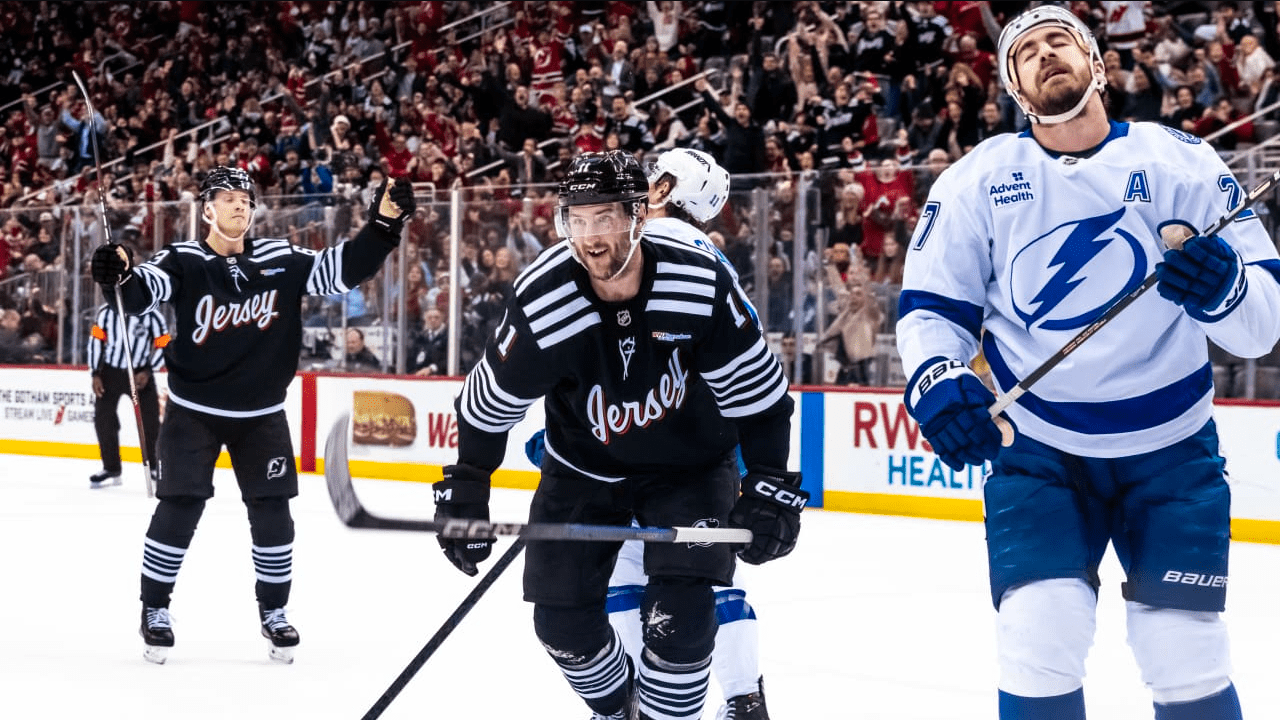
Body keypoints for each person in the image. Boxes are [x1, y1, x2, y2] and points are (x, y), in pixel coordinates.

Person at [896, 7, 1280, 720]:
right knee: (1038, 633)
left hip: (1172, 450)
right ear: (1012, 87)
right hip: (1039, 452)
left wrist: (1224, 288)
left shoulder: (1181, 160)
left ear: (1097, 64)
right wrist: (939, 382)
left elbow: (1265, 324)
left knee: (1182, 647)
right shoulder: (976, 180)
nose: (1045, 56)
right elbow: (930, 312)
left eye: (1059, 42)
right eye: (1026, 53)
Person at [433, 151, 804, 720]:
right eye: (576, 220)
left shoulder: (698, 278)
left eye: (604, 217)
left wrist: (769, 484)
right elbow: (488, 405)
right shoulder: (544, 298)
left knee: (681, 624)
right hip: (583, 469)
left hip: (690, 468)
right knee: (560, 622)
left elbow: (759, 399)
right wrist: (467, 484)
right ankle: (617, 709)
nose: (590, 237)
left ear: (639, 215)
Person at [89, 166, 415, 665]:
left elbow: (344, 268)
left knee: (273, 513)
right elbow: (140, 292)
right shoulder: (183, 260)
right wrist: (121, 272)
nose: (240, 204)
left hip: (262, 414)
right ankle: (154, 608)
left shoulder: (281, 258)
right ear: (207, 209)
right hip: (193, 412)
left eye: (246, 197)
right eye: (228, 197)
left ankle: (274, 612)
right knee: (180, 505)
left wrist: (383, 226)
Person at [527, 148, 775, 719]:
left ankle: (631, 705)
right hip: (709, 446)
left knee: (629, 579)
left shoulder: (654, 250)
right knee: (695, 581)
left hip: (659, 449)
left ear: (665, 189)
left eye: (656, 178)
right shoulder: (707, 255)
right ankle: (743, 695)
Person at [86, 300, 168, 489]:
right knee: (103, 419)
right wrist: (95, 373)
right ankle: (111, 469)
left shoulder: (152, 314)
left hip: (140, 373)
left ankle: (156, 468)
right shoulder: (105, 312)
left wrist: (148, 371)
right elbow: (96, 340)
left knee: (150, 422)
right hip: (110, 372)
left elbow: (163, 342)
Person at [408, 306, 448, 376]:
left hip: (441, 379)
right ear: (425, 319)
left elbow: (450, 361)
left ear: (442, 319)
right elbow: (411, 359)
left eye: (436, 317)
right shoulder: (419, 338)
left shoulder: (448, 337)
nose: (433, 320)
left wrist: (431, 369)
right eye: (429, 318)